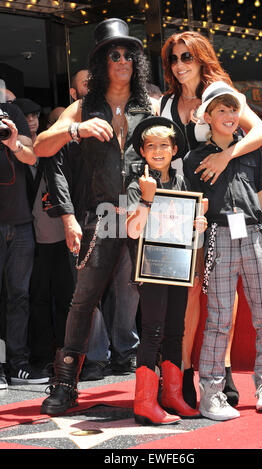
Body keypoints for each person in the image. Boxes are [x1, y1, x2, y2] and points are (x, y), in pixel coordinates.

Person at [36, 18, 153, 415]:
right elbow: (40, 146)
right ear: (102, 61)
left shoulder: (149, 106)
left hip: (143, 216)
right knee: (83, 300)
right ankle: (65, 384)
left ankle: (163, 382)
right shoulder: (83, 107)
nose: (122, 60)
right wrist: (76, 130)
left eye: (129, 54)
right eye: (114, 54)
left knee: (152, 297)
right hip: (100, 217)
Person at [159, 30, 262, 408]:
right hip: (182, 205)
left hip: (228, 207)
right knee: (188, 289)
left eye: (187, 57)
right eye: (174, 58)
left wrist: (226, 155)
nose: (180, 65)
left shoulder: (221, 92)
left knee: (226, 299)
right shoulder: (166, 103)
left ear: (201, 58)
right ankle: (186, 372)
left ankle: (221, 373)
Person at [184, 82, 262, 421]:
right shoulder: (194, 159)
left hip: (255, 235)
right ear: (208, 117)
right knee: (218, 319)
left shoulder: (252, 151)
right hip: (218, 238)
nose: (229, 116)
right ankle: (211, 393)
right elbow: (193, 208)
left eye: (233, 110)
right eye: (222, 110)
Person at [127, 115, 206, 425]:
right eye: (151, 146)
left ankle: (172, 396)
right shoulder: (137, 183)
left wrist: (198, 225)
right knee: (152, 332)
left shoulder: (182, 182)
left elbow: (187, 227)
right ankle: (144, 403)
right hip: (150, 268)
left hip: (177, 265)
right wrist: (147, 199)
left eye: (164, 145)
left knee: (176, 330)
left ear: (174, 150)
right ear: (143, 152)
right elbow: (133, 230)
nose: (158, 151)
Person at [14, 98, 74, 369]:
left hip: (62, 233)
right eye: (27, 116)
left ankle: (66, 355)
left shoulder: (60, 148)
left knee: (66, 298)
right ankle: (40, 355)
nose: (32, 120)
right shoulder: (19, 148)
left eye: (36, 115)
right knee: (35, 299)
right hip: (32, 233)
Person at [0, 94, 49, 385]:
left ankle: (17, 363)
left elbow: (32, 155)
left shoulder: (10, 111)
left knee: (19, 296)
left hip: (19, 222)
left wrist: (13, 142)